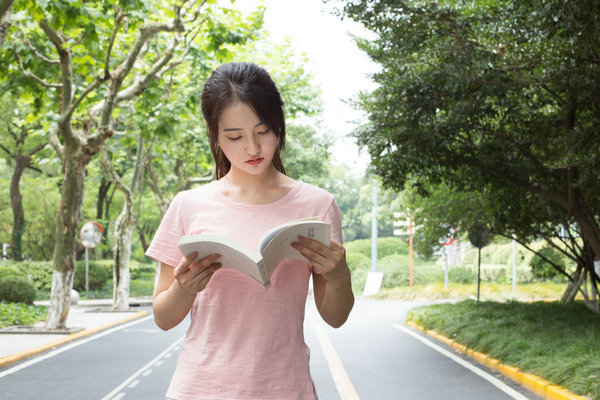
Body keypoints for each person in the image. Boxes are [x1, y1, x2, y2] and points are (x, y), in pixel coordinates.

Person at [146, 62, 354, 400]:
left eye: (263, 131)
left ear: (279, 125)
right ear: (214, 135)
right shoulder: (188, 205)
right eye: (235, 137)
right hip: (200, 389)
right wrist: (185, 289)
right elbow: (163, 318)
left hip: (286, 390)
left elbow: (335, 318)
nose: (253, 148)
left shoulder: (317, 204)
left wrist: (340, 275)